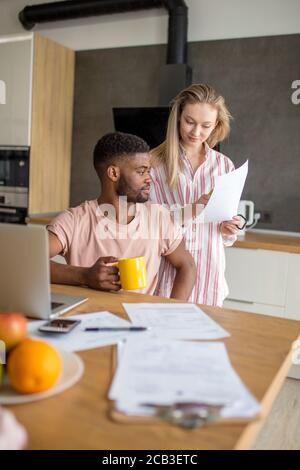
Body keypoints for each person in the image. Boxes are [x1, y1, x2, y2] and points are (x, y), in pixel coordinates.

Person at [47, 132, 196, 301]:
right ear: (113, 173)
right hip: (87, 319)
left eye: (149, 171)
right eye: (141, 172)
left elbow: (187, 265)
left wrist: (173, 312)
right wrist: (85, 275)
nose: (149, 179)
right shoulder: (73, 221)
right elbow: (27, 263)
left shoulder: (158, 217)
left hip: (140, 322)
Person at [150, 83, 241, 306]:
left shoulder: (224, 166)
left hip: (210, 274)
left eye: (206, 125)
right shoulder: (153, 163)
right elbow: (148, 224)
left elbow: (226, 235)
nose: (196, 132)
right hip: (167, 275)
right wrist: (193, 209)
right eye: (189, 122)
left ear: (216, 125)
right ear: (178, 117)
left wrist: (231, 227)